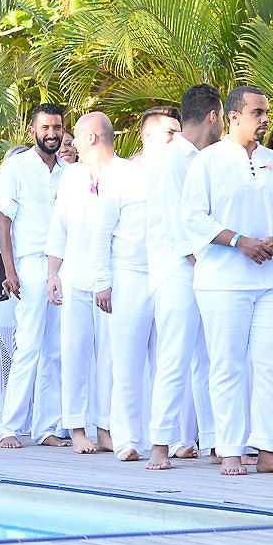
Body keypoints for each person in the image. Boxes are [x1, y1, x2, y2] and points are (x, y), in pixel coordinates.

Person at [183, 85, 273, 476]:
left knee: (272, 364)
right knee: (227, 366)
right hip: (223, 282)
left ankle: (269, 450)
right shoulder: (207, 162)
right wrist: (239, 241)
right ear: (233, 116)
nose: (265, 120)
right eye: (258, 113)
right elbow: (192, 217)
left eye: (266, 113)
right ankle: (231, 451)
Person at [145, 86, 219, 470]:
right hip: (178, 271)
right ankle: (160, 443)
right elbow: (179, 230)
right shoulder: (173, 161)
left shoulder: (207, 158)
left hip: (205, 270)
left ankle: (213, 439)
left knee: (210, 358)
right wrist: (209, 267)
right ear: (213, 116)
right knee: (174, 356)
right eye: (222, 117)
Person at [96, 107, 174, 461]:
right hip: (128, 275)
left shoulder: (182, 172)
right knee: (126, 362)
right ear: (148, 136)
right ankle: (126, 439)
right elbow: (101, 232)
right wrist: (102, 281)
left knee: (168, 361)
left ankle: (170, 437)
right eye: (169, 133)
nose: (176, 138)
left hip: (168, 274)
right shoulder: (123, 175)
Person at [0, 104, 70, 449]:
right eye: (45, 128)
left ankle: (46, 428)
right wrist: (9, 271)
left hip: (63, 266)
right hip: (30, 264)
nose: (52, 134)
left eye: (57, 127)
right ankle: (8, 426)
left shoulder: (69, 171)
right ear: (32, 130)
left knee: (55, 350)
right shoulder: (15, 168)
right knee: (27, 346)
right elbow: (4, 223)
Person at [46, 112, 120, 453]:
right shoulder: (71, 176)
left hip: (114, 277)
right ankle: (76, 427)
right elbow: (58, 226)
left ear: (92, 137)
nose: (69, 140)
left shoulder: (125, 173)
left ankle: (106, 427)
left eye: (75, 134)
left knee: (110, 356)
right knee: (74, 352)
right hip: (74, 275)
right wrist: (52, 273)